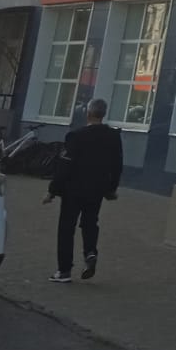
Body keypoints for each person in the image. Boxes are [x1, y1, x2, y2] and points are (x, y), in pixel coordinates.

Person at [45, 98, 123, 283]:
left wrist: (52, 190)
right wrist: (111, 189)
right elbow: (117, 165)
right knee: (90, 223)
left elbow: (65, 166)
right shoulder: (113, 136)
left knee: (66, 227)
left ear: (88, 113)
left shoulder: (76, 136)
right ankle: (90, 253)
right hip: (97, 189)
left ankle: (64, 271)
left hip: (73, 189)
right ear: (103, 114)